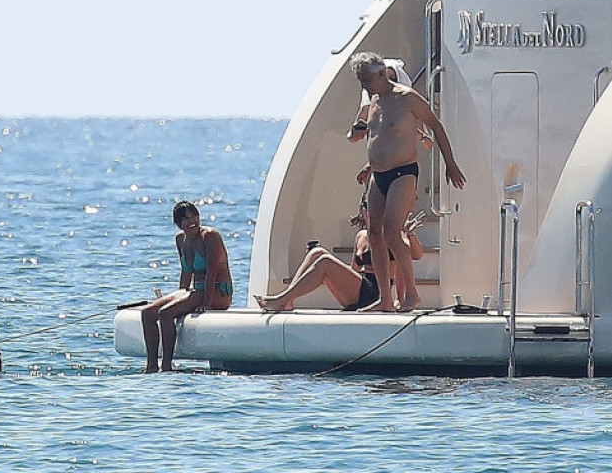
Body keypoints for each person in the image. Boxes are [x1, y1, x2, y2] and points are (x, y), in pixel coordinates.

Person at [349, 51, 465, 311]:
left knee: (392, 231)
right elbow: (379, 137)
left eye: (366, 79)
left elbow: (435, 126)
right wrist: (369, 165)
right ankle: (385, 299)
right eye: (361, 81)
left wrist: (450, 164)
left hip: (403, 172)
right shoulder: (374, 101)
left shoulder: (407, 97)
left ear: (381, 74)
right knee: (375, 233)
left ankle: (412, 294)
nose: (364, 86)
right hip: (378, 175)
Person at [254, 198, 424, 311]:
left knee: (325, 261)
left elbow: (416, 254)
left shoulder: (392, 235)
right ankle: (288, 299)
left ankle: (282, 300)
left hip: (376, 291)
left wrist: (409, 235)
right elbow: (354, 269)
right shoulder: (361, 236)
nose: (371, 212)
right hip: (359, 286)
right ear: (363, 211)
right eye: (367, 208)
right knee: (317, 252)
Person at [140, 201, 233, 373]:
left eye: (194, 216)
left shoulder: (210, 236)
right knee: (147, 314)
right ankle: (151, 366)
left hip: (217, 290)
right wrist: (179, 295)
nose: (191, 222)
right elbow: (186, 272)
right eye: (185, 219)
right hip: (196, 290)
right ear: (178, 224)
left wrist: (205, 304)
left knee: (165, 313)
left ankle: (166, 365)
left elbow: (211, 272)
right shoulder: (180, 240)